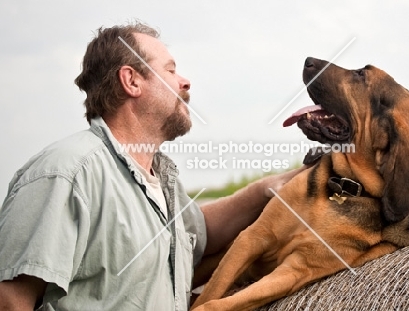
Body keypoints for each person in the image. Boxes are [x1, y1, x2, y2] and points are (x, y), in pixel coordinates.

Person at [0, 22, 304, 310]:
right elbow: (10, 300)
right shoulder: (67, 172)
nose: (185, 81)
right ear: (131, 80)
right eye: (170, 70)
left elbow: (201, 231)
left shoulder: (161, 180)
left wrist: (265, 189)